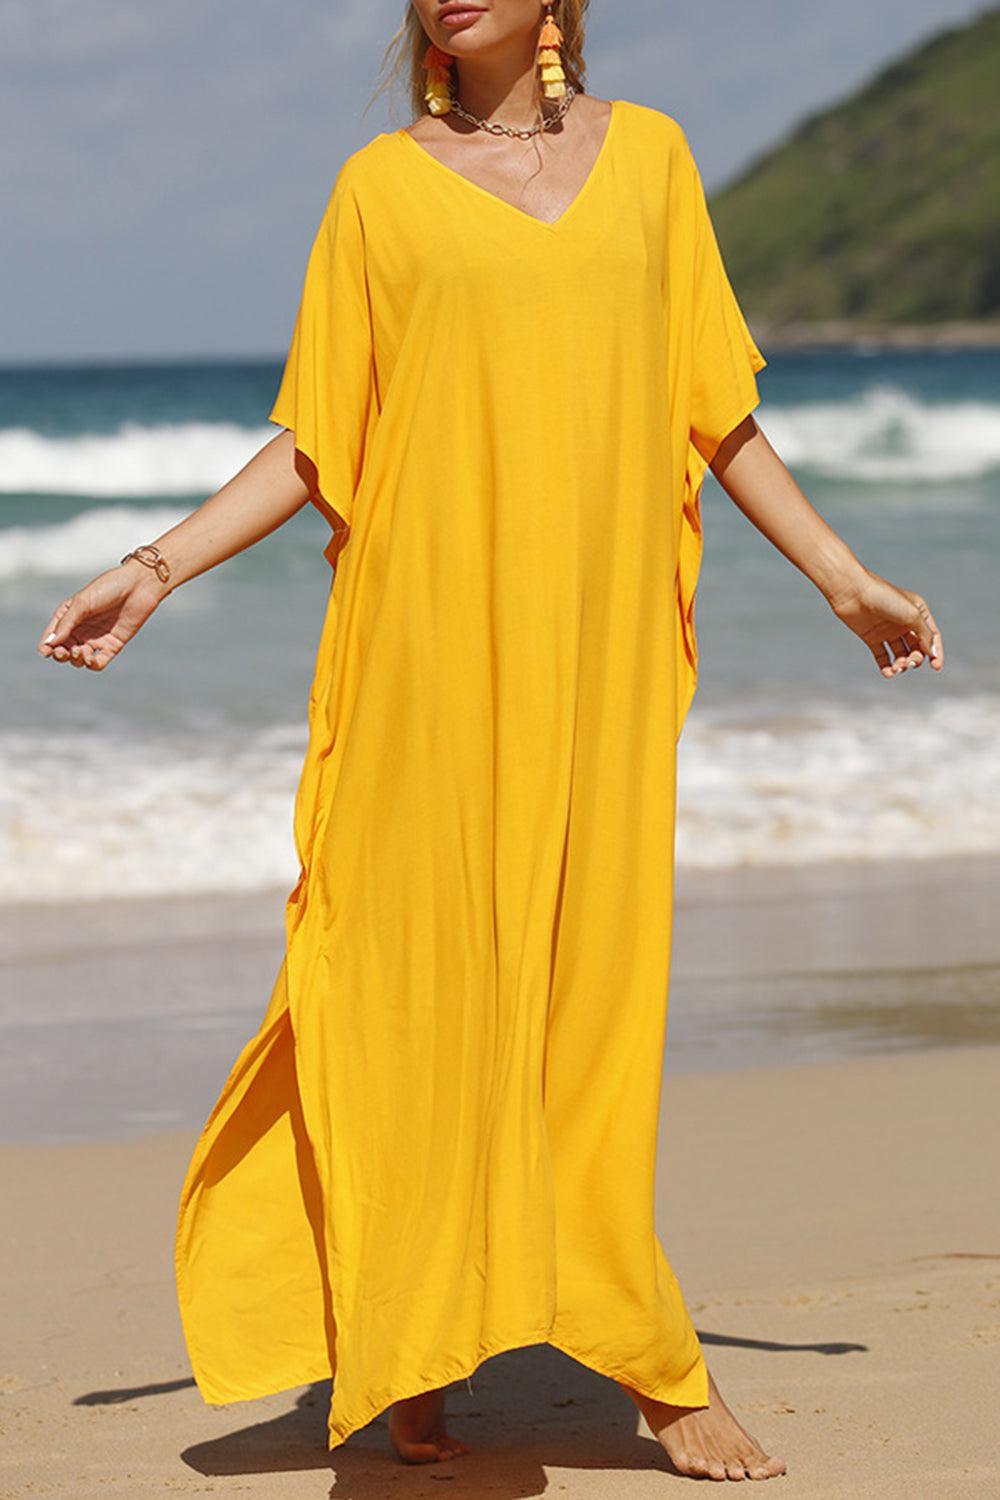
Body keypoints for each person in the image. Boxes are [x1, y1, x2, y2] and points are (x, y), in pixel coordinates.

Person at [37, 0, 943, 1484]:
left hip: (599, 665)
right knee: (410, 995)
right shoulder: (377, 190)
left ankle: (654, 1365)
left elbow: (716, 414)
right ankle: (410, 1340)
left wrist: (843, 577)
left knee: (593, 1007)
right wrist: (157, 563)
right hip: (424, 663)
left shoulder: (651, 162)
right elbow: (323, 435)